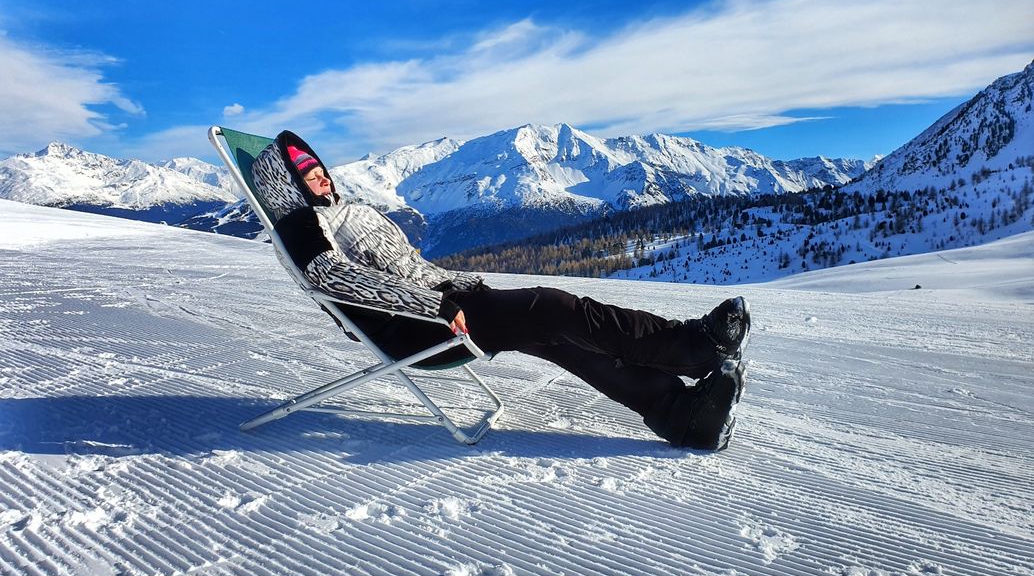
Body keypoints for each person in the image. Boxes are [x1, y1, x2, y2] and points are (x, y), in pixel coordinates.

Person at [251, 131, 751, 451]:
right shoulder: (299, 227)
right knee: (554, 307)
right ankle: (692, 346)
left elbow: (407, 264)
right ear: (285, 187)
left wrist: (454, 286)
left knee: (557, 335)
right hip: (416, 328)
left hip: (443, 305)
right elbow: (336, 279)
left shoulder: (347, 210)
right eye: (307, 176)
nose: (320, 179)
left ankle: (682, 417)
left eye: (320, 170)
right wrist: (437, 304)